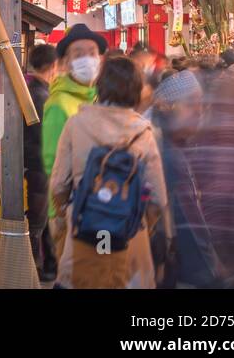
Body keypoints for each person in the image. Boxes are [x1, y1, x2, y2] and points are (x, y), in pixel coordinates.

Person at [49, 57, 167, 288]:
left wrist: (66, 212)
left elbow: (59, 185)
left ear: (100, 85)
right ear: (136, 89)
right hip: (130, 240)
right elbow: (158, 198)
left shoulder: (76, 124)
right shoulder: (145, 133)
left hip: (84, 231)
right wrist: (142, 222)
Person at [148, 69, 221, 287]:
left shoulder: (172, 144)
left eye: (200, 103)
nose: (199, 111)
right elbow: (189, 225)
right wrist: (211, 272)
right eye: (191, 104)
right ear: (169, 108)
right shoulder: (169, 156)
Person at [42, 23, 102, 263]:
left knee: (100, 270)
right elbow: (52, 163)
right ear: (65, 62)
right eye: (79, 54)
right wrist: (59, 213)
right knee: (75, 274)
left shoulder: (97, 96)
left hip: (100, 209)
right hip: (71, 211)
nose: (87, 59)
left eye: (92, 53)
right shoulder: (59, 103)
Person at [25, 42, 57, 280]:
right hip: (41, 166)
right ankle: (36, 270)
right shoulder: (42, 95)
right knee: (39, 222)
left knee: (42, 221)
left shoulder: (31, 91)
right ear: (53, 66)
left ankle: (46, 267)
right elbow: (46, 136)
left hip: (35, 165)